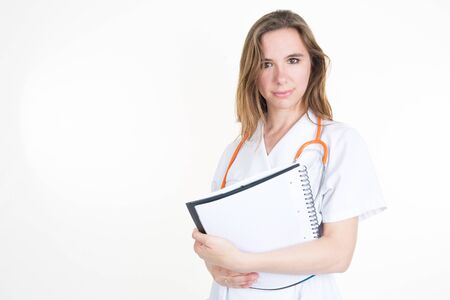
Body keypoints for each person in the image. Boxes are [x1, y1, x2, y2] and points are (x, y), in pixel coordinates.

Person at [192, 10, 386, 300]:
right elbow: (213, 240)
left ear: (313, 65)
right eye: (266, 64)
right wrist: (212, 264)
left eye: (293, 60)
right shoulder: (235, 151)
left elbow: (338, 254)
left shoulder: (340, 142)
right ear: (252, 73)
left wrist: (243, 262)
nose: (280, 77)